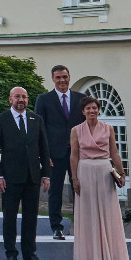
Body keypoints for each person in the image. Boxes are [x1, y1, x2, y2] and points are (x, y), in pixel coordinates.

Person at [0, 86, 51, 260]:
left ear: (27, 99)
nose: (20, 100)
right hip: (9, 177)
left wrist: (46, 175)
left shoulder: (36, 120)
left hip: (33, 177)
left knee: (31, 218)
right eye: (17, 97)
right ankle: (11, 254)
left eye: (23, 97)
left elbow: (44, 149)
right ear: (10, 99)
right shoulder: (1, 120)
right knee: (10, 216)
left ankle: (30, 255)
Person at [70, 96, 130, 260]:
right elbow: (74, 155)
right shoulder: (76, 130)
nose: (92, 111)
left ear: (98, 110)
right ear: (83, 112)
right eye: (88, 108)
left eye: (94, 108)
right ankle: (91, 257)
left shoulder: (108, 128)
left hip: (104, 170)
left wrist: (122, 173)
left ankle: (109, 256)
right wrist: (74, 178)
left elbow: (115, 152)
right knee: (88, 213)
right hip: (85, 170)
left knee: (107, 211)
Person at [36, 65, 88, 241]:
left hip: (78, 153)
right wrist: (44, 153)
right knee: (55, 191)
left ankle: (81, 225)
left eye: (64, 77)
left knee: (79, 189)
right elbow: (39, 128)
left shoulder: (81, 99)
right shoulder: (44, 99)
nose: (62, 81)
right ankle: (56, 228)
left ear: (69, 77)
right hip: (54, 153)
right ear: (53, 79)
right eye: (58, 77)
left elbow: (86, 126)